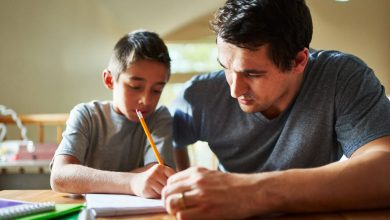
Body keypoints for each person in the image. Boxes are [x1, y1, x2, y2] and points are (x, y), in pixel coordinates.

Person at [162, 0, 390, 219]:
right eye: (225, 68)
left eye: (252, 73)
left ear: (299, 61)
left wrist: (248, 193)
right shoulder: (198, 95)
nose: (235, 90)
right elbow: (169, 144)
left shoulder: (342, 77)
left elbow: (385, 167)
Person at [50, 30, 175, 199]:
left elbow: (156, 175)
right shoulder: (87, 115)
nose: (145, 100)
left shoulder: (159, 117)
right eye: (135, 86)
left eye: (157, 90)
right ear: (109, 80)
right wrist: (132, 182)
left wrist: (88, 180)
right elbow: (60, 177)